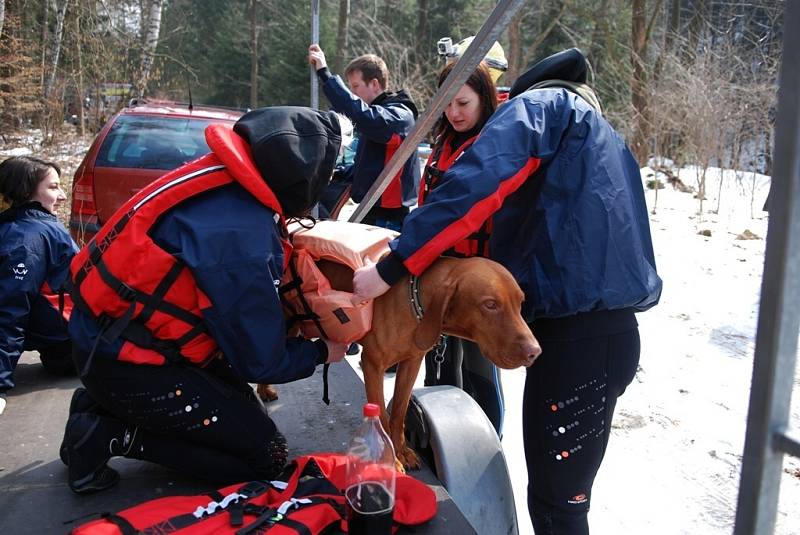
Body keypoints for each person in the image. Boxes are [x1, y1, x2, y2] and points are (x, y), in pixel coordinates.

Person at [350, 48, 663, 535]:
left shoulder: (540, 110)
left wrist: (393, 266)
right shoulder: (603, 136)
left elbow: (472, 189)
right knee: (565, 500)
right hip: (616, 336)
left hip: (573, 341)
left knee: (558, 505)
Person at [60, 107, 350, 494]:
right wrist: (321, 352)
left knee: (239, 413)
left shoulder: (219, 177)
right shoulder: (239, 235)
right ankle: (109, 434)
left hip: (103, 341)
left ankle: (97, 404)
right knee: (266, 454)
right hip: (134, 365)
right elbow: (259, 361)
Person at [419, 62, 505, 434]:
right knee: (436, 362)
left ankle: (486, 444)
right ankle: (438, 440)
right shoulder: (444, 141)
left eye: (463, 103)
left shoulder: (494, 145)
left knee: (478, 365)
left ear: (484, 99)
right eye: (447, 104)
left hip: (478, 279)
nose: (454, 113)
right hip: (438, 273)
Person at [308, 44, 419, 232]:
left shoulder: (399, 117)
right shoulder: (377, 119)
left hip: (387, 220)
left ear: (374, 84)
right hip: (370, 212)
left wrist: (325, 74)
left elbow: (361, 114)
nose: (353, 93)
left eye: (355, 86)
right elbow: (373, 165)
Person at [0, 157, 78, 416]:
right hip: (71, 341)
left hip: (63, 343)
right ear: (26, 192)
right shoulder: (28, 237)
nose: (63, 196)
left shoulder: (20, 226)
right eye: (53, 187)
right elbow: (10, 310)